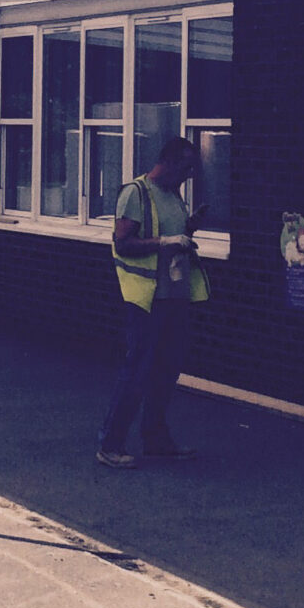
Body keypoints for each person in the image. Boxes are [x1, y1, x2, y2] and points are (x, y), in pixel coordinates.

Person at [97, 134, 208, 468]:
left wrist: (189, 229)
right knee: (138, 370)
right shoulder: (136, 193)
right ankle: (110, 444)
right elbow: (123, 243)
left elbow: (175, 237)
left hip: (175, 295)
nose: (188, 176)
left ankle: (156, 440)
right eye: (185, 169)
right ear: (169, 162)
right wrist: (164, 242)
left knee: (167, 369)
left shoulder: (173, 194)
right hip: (147, 299)